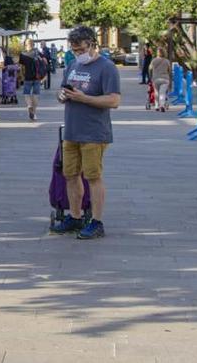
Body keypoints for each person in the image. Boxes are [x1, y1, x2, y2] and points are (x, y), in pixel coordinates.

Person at [52, 26, 121, 239]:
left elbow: (114, 100)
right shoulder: (72, 65)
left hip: (94, 132)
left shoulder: (107, 68)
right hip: (72, 130)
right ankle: (75, 216)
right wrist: (62, 95)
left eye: (80, 49)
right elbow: (63, 90)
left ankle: (97, 221)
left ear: (92, 44)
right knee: (70, 175)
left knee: (93, 176)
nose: (77, 53)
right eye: (73, 50)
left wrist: (85, 98)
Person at [18, 38, 45, 121]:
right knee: (36, 95)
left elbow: (21, 66)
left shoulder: (23, 54)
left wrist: (21, 76)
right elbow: (44, 62)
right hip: (37, 77)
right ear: (33, 44)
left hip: (27, 77)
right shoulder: (38, 52)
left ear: (25, 44)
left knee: (26, 94)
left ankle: (29, 106)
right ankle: (35, 113)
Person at [149, 47, 172, 112]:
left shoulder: (154, 60)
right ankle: (162, 105)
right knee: (162, 93)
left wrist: (150, 77)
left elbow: (150, 69)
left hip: (156, 79)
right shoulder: (167, 61)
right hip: (165, 79)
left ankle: (156, 106)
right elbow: (169, 71)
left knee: (156, 92)